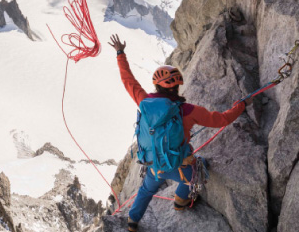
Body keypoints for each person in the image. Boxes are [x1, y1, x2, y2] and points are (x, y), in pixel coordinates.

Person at [108, 34, 252, 232]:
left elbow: (128, 81)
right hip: (179, 163)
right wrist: (241, 105)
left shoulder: (144, 102)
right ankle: (179, 202)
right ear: (176, 86)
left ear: (156, 85)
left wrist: (120, 53)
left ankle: (132, 221)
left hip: (153, 164)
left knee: (146, 190)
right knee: (195, 173)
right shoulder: (188, 110)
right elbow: (221, 120)